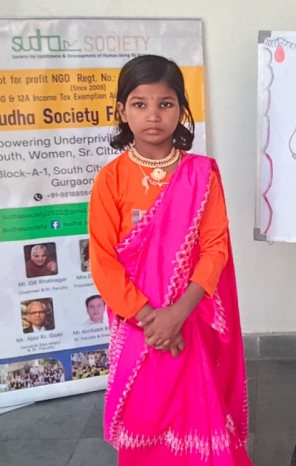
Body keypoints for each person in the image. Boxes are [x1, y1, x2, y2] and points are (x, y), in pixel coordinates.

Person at [89, 55, 251, 465]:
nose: (153, 115)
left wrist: (178, 314)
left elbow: (215, 247)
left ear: (181, 110)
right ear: (122, 111)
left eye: (165, 103)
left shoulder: (201, 174)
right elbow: (103, 261)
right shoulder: (110, 179)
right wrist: (152, 320)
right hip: (137, 324)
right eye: (139, 104)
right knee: (146, 413)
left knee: (197, 410)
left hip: (191, 316)